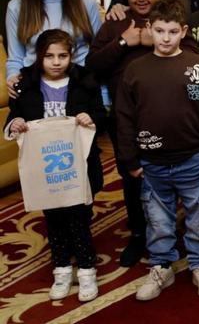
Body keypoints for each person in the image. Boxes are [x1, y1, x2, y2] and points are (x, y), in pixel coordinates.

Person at [115, 0, 199, 301]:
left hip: (194, 158)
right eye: (160, 30)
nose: (165, 38)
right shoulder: (135, 70)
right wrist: (130, 159)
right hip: (151, 162)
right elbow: (124, 118)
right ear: (149, 28)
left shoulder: (196, 66)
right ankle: (162, 265)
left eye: (172, 31)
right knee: (158, 219)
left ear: (183, 31)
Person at [86, 0, 197, 267]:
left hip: (170, 115)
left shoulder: (170, 20)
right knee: (133, 179)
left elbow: (193, 54)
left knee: (173, 179)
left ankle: (177, 232)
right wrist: (126, 42)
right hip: (128, 118)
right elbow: (93, 64)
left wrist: (155, 40)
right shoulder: (114, 24)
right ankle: (139, 234)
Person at [5, 29, 105, 303]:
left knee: (79, 219)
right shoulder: (26, 83)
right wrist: (14, 124)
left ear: (71, 56)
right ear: (39, 57)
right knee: (55, 221)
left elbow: (101, 115)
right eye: (49, 56)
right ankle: (61, 269)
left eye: (63, 55)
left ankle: (86, 270)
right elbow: (15, 116)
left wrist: (90, 117)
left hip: (80, 166)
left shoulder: (85, 80)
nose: (56, 61)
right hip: (46, 170)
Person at [6, 0, 102, 95]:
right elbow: (16, 58)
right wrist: (12, 77)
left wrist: (102, 98)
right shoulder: (16, 7)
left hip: (79, 90)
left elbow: (99, 56)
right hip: (35, 90)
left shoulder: (87, 3)